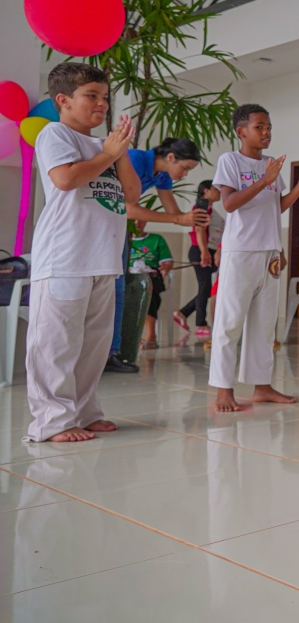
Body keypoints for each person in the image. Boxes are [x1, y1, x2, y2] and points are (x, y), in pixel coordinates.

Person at [24, 63, 137, 442]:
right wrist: (108, 153)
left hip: (103, 259)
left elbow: (131, 195)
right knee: (56, 345)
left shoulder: (106, 146)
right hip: (65, 258)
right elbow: (66, 178)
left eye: (105, 97)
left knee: (93, 347)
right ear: (64, 100)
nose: (102, 104)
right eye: (92, 96)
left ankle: (85, 412)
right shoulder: (54, 133)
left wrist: (119, 152)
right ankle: (52, 421)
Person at [208, 104, 299, 412]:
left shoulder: (271, 164)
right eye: (259, 127)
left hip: (269, 252)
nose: (266, 132)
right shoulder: (230, 160)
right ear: (241, 131)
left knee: (264, 324)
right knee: (230, 323)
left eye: (268, 127)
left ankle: (262, 386)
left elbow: (276, 206)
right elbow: (229, 203)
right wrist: (262, 180)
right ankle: (223, 389)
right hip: (240, 252)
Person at [106, 138, 209, 374]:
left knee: (119, 290)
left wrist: (193, 219)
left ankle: (113, 352)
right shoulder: (135, 159)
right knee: (105, 290)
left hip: (117, 231)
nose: (184, 174)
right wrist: (179, 219)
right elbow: (126, 207)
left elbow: (175, 214)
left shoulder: (162, 176)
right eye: (185, 168)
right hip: (100, 227)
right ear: (170, 157)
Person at [173, 180, 224, 342]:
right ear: (206, 191)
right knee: (205, 287)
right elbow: (199, 229)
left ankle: (183, 313)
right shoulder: (201, 206)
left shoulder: (210, 208)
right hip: (202, 250)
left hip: (209, 250)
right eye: (216, 189)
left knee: (207, 288)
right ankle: (201, 323)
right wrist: (204, 252)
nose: (219, 191)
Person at [128, 219, 175, 349]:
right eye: (134, 219)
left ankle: (151, 334)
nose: (137, 222)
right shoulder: (123, 239)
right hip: (128, 276)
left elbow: (168, 262)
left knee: (149, 290)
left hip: (151, 276)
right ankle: (128, 337)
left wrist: (165, 267)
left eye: (141, 219)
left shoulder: (156, 239)